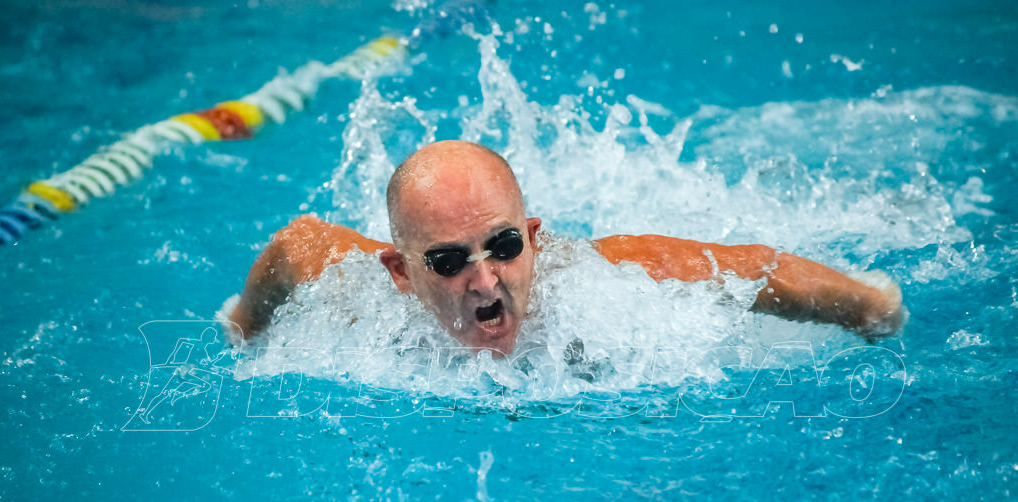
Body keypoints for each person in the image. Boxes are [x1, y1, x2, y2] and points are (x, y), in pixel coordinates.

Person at [229, 140, 904, 355]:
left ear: (533, 238)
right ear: (402, 272)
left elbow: (750, 270)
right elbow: (295, 245)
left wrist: (871, 308)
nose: (486, 280)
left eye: (503, 246)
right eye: (447, 260)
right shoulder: (362, 296)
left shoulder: (604, 286)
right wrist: (244, 325)